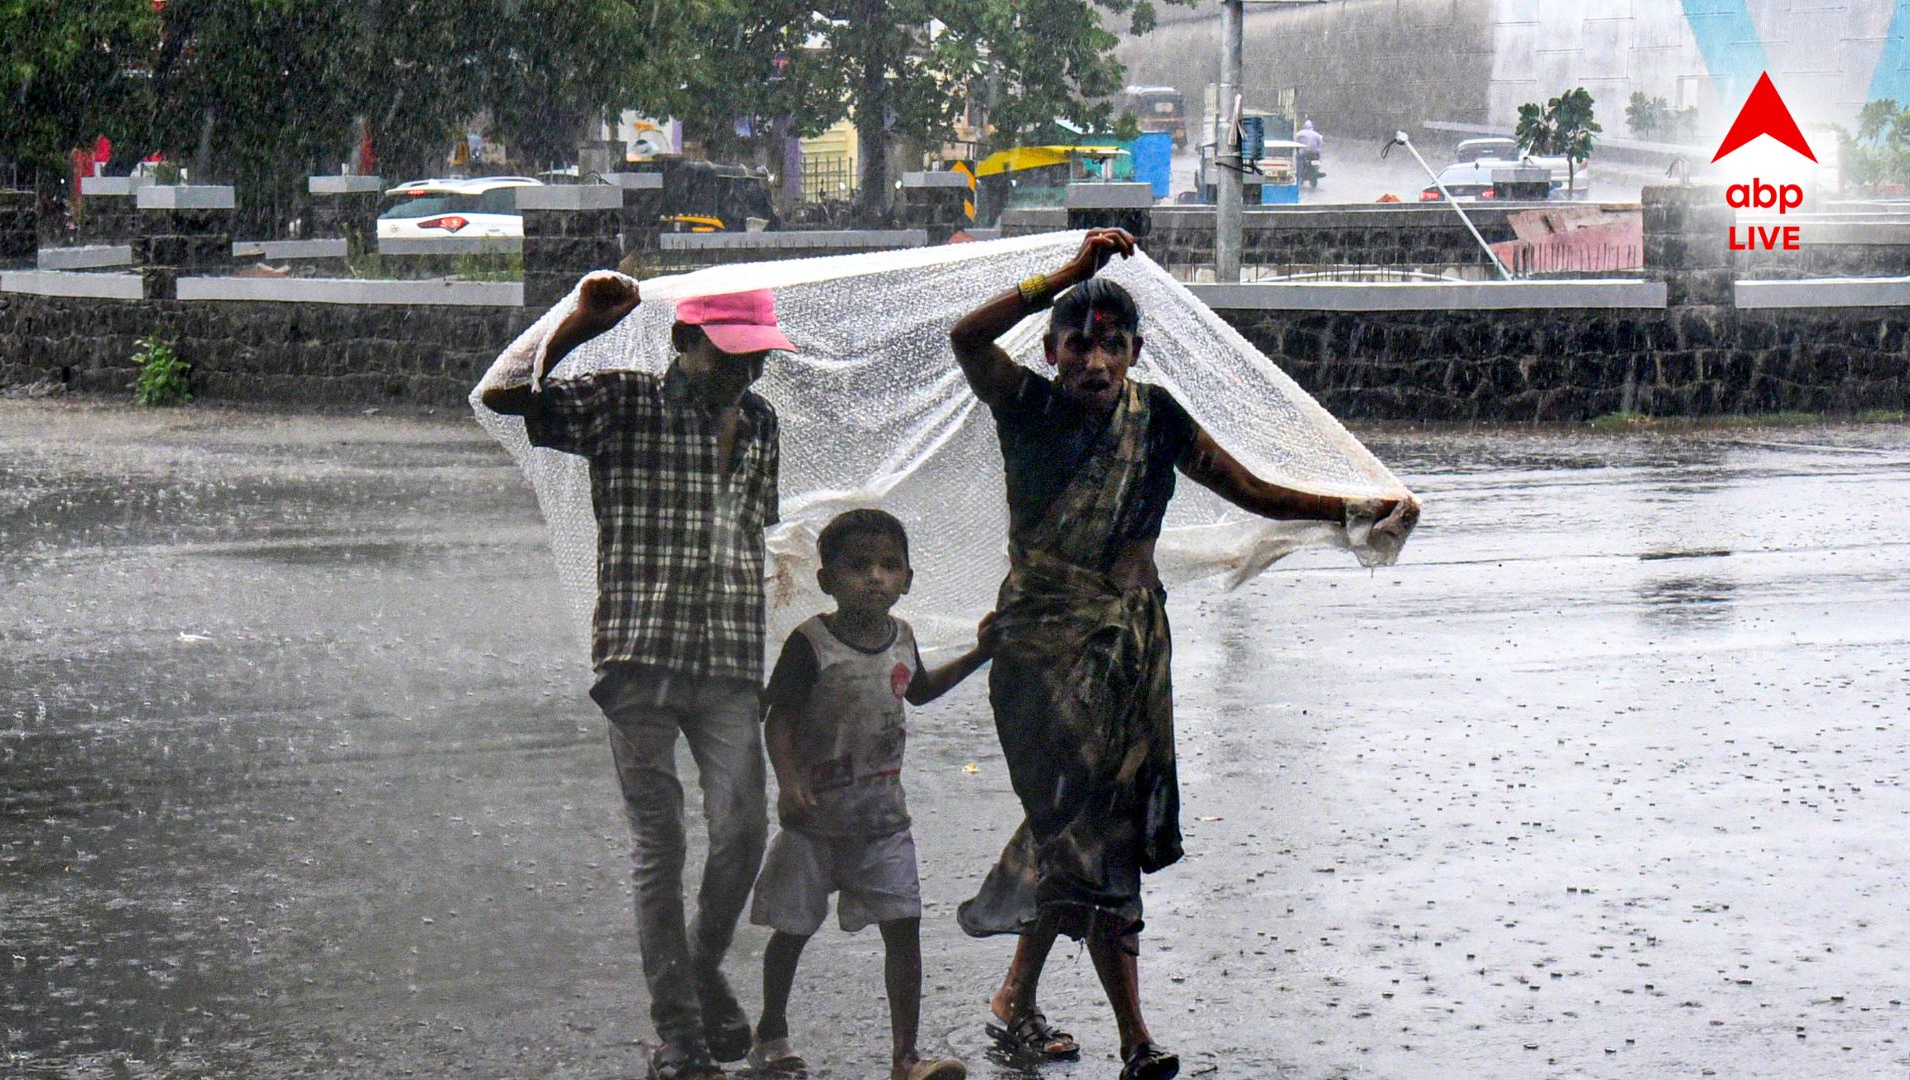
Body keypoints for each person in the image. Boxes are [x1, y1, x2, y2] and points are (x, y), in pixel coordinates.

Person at [947, 229, 1416, 1080]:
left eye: (1112, 345)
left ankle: (1020, 1001)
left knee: (1091, 836)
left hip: (1129, 654)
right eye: (1078, 341)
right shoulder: (1029, 408)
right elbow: (965, 338)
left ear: (1135, 353)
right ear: (1051, 350)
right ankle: (1132, 1038)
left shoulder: (1154, 418)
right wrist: (1063, 275)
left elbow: (1255, 490)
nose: (1094, 359)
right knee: (1083, 833)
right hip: (1044, 656)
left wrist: (1355, 507)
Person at [482, 275, 795, 1080]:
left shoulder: (761, 424)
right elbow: (506, 395)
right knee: (662, 842)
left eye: (755, 358)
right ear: (681, 345)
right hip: (639, 656)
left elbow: (756, 534)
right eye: (729, 356)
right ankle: (678, 1033)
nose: (743, 374)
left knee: (743, 830)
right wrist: (577, 323)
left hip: (727, 658)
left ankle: (700, 962)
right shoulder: (622, 402)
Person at [746, 509, 990, 1080]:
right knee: (793, 929)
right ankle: (771, 1031)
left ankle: (906, 1056)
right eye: (858, 567)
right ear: (826, 578)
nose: (875, 578)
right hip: (814, 822)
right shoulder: (811, 643)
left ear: (908, 578)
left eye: (888, 566)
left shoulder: (902, 636)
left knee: (903, 928)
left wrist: (981, 652)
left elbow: (921, 691)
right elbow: (778, 719)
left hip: (882, 822)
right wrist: (789, 780)